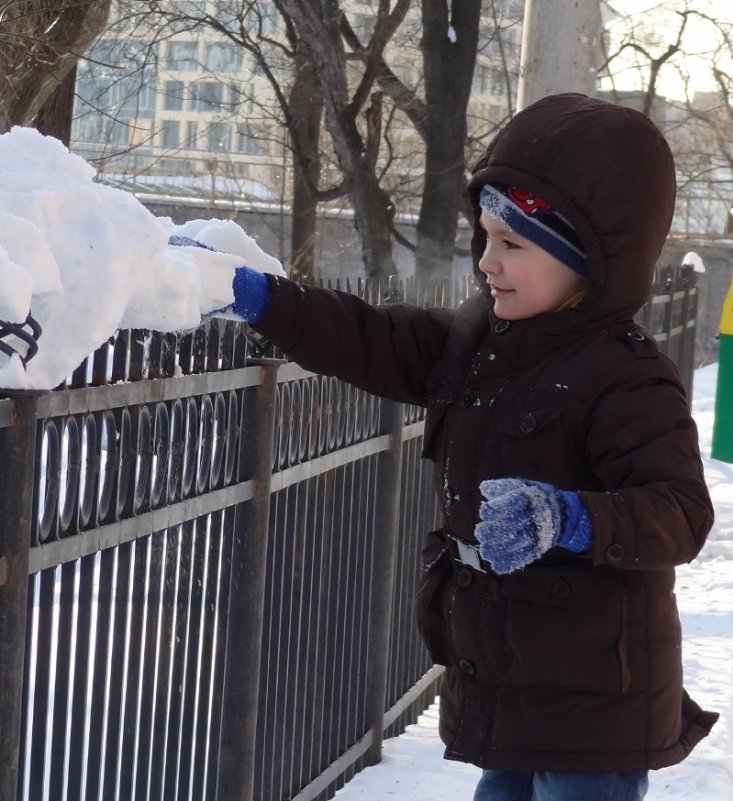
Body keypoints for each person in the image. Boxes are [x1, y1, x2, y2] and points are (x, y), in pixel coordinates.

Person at [213, 93, 719, 800]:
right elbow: (375, 337)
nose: (487, 261)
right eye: (484, 237)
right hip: (505, 675)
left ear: (590, 259)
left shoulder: (625, 375)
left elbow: (679, 511)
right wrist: (269, 302)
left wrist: (565, 516)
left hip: (595, 696)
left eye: (512, 244)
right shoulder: (478, 343)